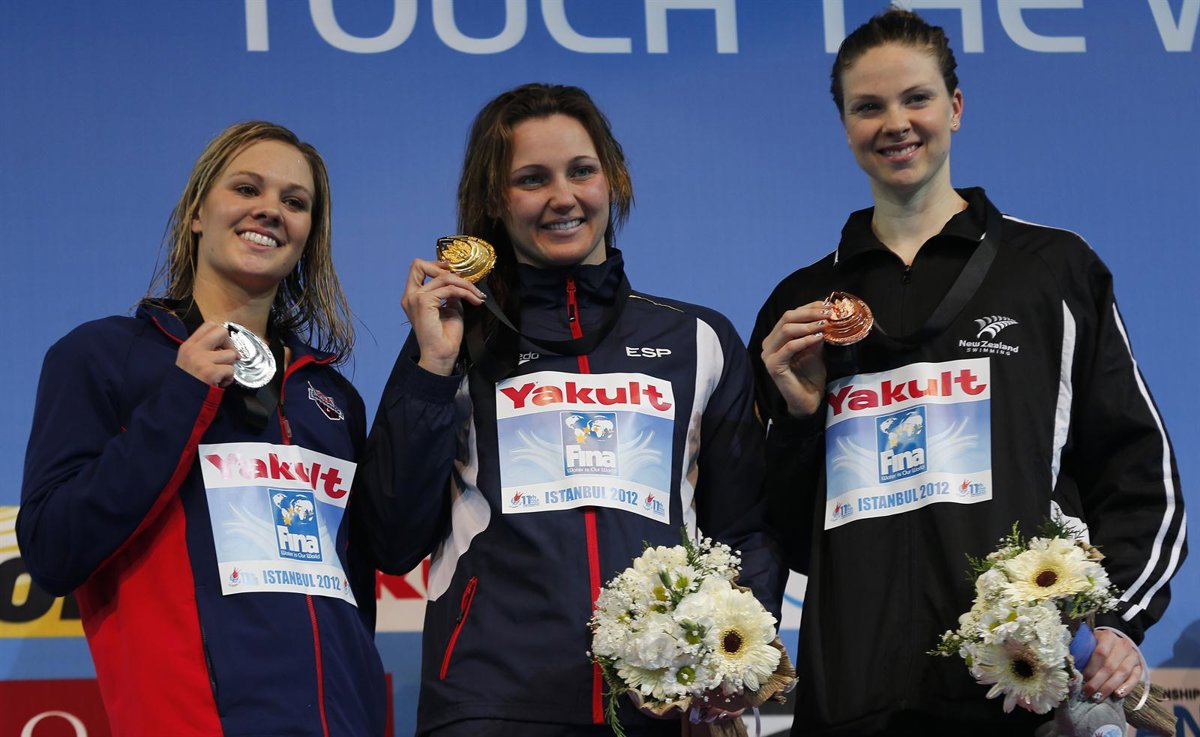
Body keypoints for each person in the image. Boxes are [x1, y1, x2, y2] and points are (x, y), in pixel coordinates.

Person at [750, 8, 1187, 737]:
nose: (896, 123)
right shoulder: (800, 307)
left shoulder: (1051, 270)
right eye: (868, 106)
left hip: (1024, 695)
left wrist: (1114, 620)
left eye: (916, 98)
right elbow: (787, 538)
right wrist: (797, 421)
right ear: (845, 126)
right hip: (853, 700)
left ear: (955, 107)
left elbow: (1138, 469)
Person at [357, 82, 785, 736]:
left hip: (658, 711)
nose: (563, 196)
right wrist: (433, 367)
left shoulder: (697, 340)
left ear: (613, 180)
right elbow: (391, 541)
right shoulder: (454, 340)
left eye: (581, 171)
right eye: (532, 178)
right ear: (495, 200)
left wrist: (730, 656)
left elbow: (746, 530)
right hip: (491, 702)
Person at [17, 121, 388, 736]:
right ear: (196, 213)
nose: (270, 210)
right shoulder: (103, 357)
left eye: (295, 202)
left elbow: (356, 593)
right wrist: (183, 395)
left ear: (308, 236)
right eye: (246, 189)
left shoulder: (330, 396)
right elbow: (53, 550)